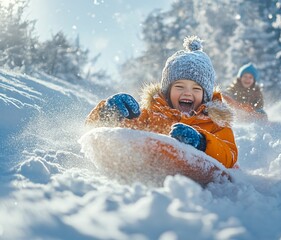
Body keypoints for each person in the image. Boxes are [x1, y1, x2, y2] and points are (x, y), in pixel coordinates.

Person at [85, 36, 238, 169]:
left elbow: (229, 155)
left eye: (196, 89)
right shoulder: (152, 113)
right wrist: (109, 113)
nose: (187, 93)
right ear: (167, 91)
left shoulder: (216, 123)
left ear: (206, 95)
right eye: (179, 86)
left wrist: (202, 142)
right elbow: (114, 134)